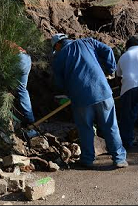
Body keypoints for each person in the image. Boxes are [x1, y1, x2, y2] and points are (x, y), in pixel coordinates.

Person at [51, 34, 128, 168]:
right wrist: (110, 69)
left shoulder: (59, 57)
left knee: (85, 128)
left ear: (58, 45)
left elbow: (59, 82)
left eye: (56, 48)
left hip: (80, 98)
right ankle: (119, 158)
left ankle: (87, 159)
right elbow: (108, 50)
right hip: (102, 91)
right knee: (111, 126)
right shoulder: (87, 42)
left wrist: (68, 92)